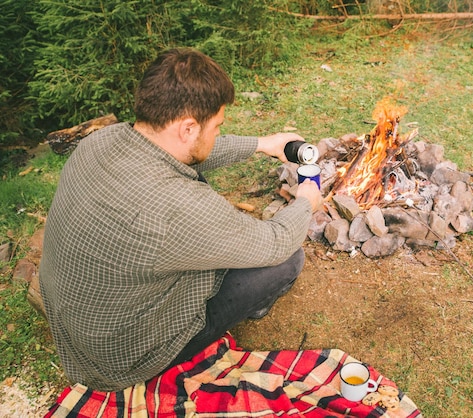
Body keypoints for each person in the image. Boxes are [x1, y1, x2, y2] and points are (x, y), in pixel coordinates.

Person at [39, 48, 323, 392]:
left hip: (79, 325)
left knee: (199, 189)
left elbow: (189, 152)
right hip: (120, 357)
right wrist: (307, 201)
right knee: (286, 260)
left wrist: (263, 144)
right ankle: (252, 308)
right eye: (216, 126)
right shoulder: (175, 207)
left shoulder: (103, 140)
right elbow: (275, 241)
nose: (218, 133)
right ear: (189, 127)